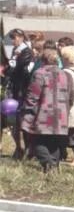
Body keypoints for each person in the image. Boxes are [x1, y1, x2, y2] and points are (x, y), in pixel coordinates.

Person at [19, 47, 73, 172]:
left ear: (43, 59)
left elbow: (33, 96)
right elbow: (71, 97)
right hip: (61, 115)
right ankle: (53, 167)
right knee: (54, 143)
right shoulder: (66, 75)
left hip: (43, 114)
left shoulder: (40, 73)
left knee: (37, 142)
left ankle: (48, 164)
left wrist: (27, 111)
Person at [6, 28, 33, 159]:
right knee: (13, 122)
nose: (13, 40)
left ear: (22, 37)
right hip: (15, 90)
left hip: (23, 91)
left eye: (15, 37)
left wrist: (14, 61)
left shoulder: (27, 52)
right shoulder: (14, 51)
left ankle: (28, 149)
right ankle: (18, 147)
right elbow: (10, 70)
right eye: (12, 38)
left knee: (23, 121)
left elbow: (19, 70)